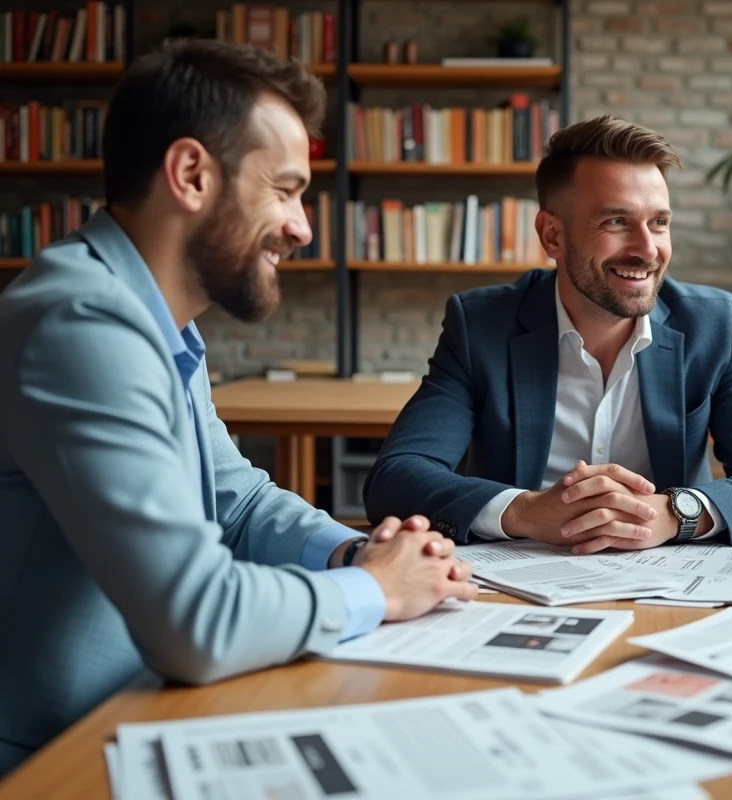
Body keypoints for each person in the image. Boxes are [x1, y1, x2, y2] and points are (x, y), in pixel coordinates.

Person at [0, 40, 477, 776]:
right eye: (284, 190)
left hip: (141, 711)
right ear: (191, 174)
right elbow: (196, 619)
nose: (302, 227)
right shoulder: (79, 320)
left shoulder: (155, 318)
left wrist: (354, 551)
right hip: (55, 759)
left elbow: (240, 501)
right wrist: (377, 588)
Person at [363, 115, 732, 552]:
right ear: (552, 235)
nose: (647, 249)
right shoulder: (481, 325)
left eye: (659, 222)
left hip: (671, 578)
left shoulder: (713, 324)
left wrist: (675, 513)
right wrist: (525, 511)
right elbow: (397, 477)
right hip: (520, 576)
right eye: (616, 221)